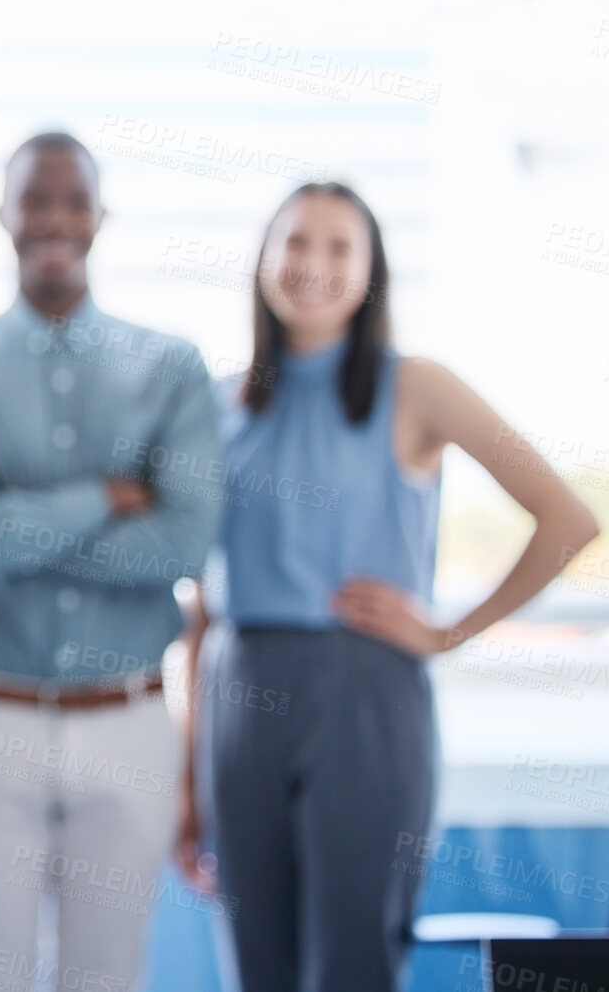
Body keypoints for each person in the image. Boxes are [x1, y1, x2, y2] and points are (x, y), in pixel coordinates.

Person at [175, 181, 599, 992]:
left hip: (363, 697)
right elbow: (202, 609)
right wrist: (184, 782)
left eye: (341, 247)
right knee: (254, 965)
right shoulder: (221, 403)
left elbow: (565, 519)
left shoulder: (416, 388)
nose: (314, 265)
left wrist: (449, 631)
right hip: (239, 695)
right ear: (264, 260)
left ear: (371, 271)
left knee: (355, 961)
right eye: (296, 242)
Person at [0, 132, 222, 992]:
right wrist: (100, 500)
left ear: (101, 216)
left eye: (74, 201)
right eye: (34, 199)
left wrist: (6, 522)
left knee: (106, 977)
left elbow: (180, 545)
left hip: (129, 722)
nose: (54, 220)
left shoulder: (172, 366)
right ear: (2, 212)